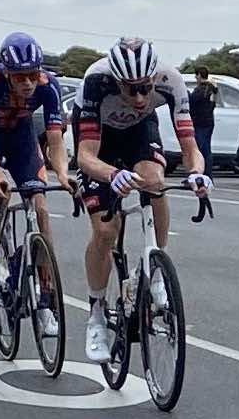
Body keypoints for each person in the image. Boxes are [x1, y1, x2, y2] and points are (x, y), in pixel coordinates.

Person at [73, 37, 210, 364]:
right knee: (105, 231)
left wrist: (197, 173)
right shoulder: (96, 81)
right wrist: (111, 174)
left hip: (139, 132)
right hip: (100, 139)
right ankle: (96, 315)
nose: (138, 97)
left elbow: (190, 146)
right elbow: (85, 156)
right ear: (116, 80)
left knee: (154, 180)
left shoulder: (171, 80)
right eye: (129, 89)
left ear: (153, 78)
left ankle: (155, 265)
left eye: (145, 89)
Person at [0, 32, 70, 329]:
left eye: (33, 75)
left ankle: (46, 298)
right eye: (19, 77)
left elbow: (55, 141)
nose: (27, 83)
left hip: (21, 137)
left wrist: (63, 173)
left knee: (41, 208)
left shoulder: (49, 85)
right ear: (6, 73)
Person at [188, 66, 219, 168]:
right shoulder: (211, 88)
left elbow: (192, 101)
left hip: (201, 122)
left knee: (203, 149)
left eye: (196, 75)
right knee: (206, 148)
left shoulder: (201, 89)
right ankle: (207, 173)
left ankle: (204, 171)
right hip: (208, 121)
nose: (195, 78)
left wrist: (187, 93)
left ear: (199, 75)